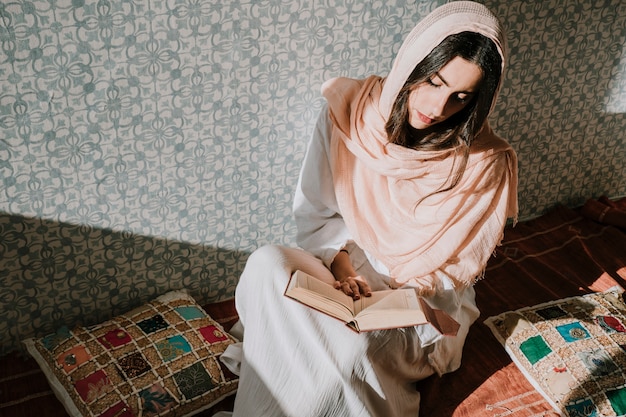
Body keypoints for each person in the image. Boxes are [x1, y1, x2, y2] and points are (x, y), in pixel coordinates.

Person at [217, 2, 518, 416]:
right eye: (432, 81)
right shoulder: (352, 114)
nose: (437, 107)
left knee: (344, 351)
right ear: (412, 64)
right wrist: (345, 270)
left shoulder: (485, 162)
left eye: (460, 97)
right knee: (267, 264)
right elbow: (317, 212)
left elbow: (449, 273)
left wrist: (380, 298)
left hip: (421, 303)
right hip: (343, 263)